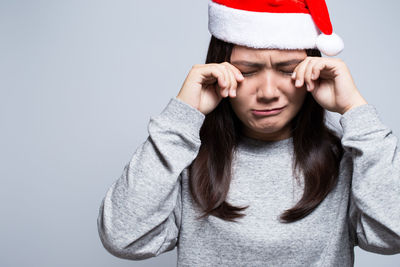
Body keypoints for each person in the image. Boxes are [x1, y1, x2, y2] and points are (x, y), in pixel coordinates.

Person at [97, 0, 400, 266]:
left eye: (287, 70)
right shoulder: (183, 157)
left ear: (313, 70)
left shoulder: (347, 160)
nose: (268, 92)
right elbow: (124, 237)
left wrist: (355, 109)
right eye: (248, 72)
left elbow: (394, 233)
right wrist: (181, 117)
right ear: (219, 72)